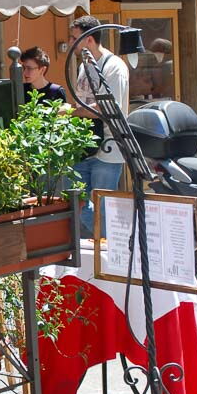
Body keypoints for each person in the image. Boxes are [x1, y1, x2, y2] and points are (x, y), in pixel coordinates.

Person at [68, 15, 129, 237]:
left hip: (109, 146)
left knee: (103, 206)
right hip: (84, 145)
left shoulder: (114, 67)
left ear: (89, 40)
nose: (70, 42)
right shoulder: (84, 66)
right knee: (78, 202)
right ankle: (105, 241)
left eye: (74, 38)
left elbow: (106, 107)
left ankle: (110, 246)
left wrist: (70, 112)